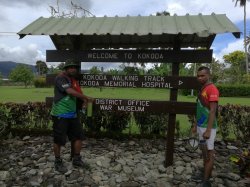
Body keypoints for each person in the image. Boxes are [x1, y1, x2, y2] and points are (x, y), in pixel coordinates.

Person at [50, 59, 93, 173]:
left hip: (72, 115)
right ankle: (58, 161)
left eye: (74, 67)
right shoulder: (60, 78)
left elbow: (77, 93)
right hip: (60, 114)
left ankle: (77, 159)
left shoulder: (73, 80)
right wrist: (86, 98)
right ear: (66, 69)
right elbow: (69, 91)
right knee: (59, 140)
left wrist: (82, 101)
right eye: (70, 67)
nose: (73, 69)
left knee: (78, 137)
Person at [192, 66, 219, 187]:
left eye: (202, 75)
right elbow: (200, 109)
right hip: (201, 125)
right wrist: (195, 125)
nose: (200, 78)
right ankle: (205, 175)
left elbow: (213, 111)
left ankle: (206, 181)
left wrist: (208, 130)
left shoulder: (212, 89)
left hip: (209, 127)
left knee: (209, 153)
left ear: (208, 75)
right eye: (198, 76)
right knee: (204, 152)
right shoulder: (202, 88)